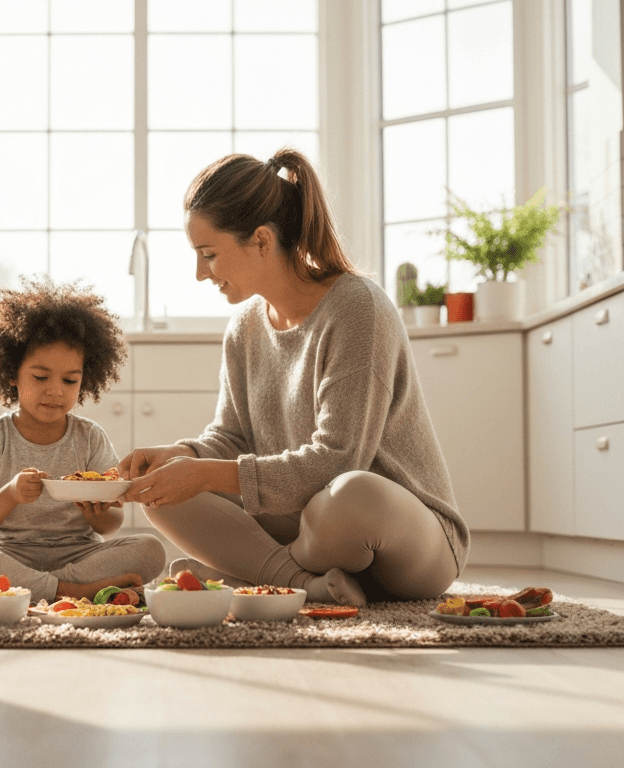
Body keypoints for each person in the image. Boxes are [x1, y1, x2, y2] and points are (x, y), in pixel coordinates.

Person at [118, 148, 468, 607]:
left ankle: (252, 573)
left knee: (349, 496)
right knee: (163, 493)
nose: (201, 273)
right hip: (308, 528)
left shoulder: (358, 308)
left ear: (261, 240)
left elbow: (339, 460)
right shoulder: (244, 328)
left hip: (400, 543)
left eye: (209, 254)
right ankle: (303, 584)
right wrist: (182, 456)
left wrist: (205, 474)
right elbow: (232, 436)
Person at [0, 276, 166, 602]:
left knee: (151, 549)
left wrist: (94, 510)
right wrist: (11, 494)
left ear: (85, 381)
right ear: (12, 373)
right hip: (10, 556)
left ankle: (31, 591)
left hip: (80, 557)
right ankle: (69, 592)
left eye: (70, 380)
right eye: (41, 377)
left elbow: (111, 523)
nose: (56, 389)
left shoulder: (90, 437)